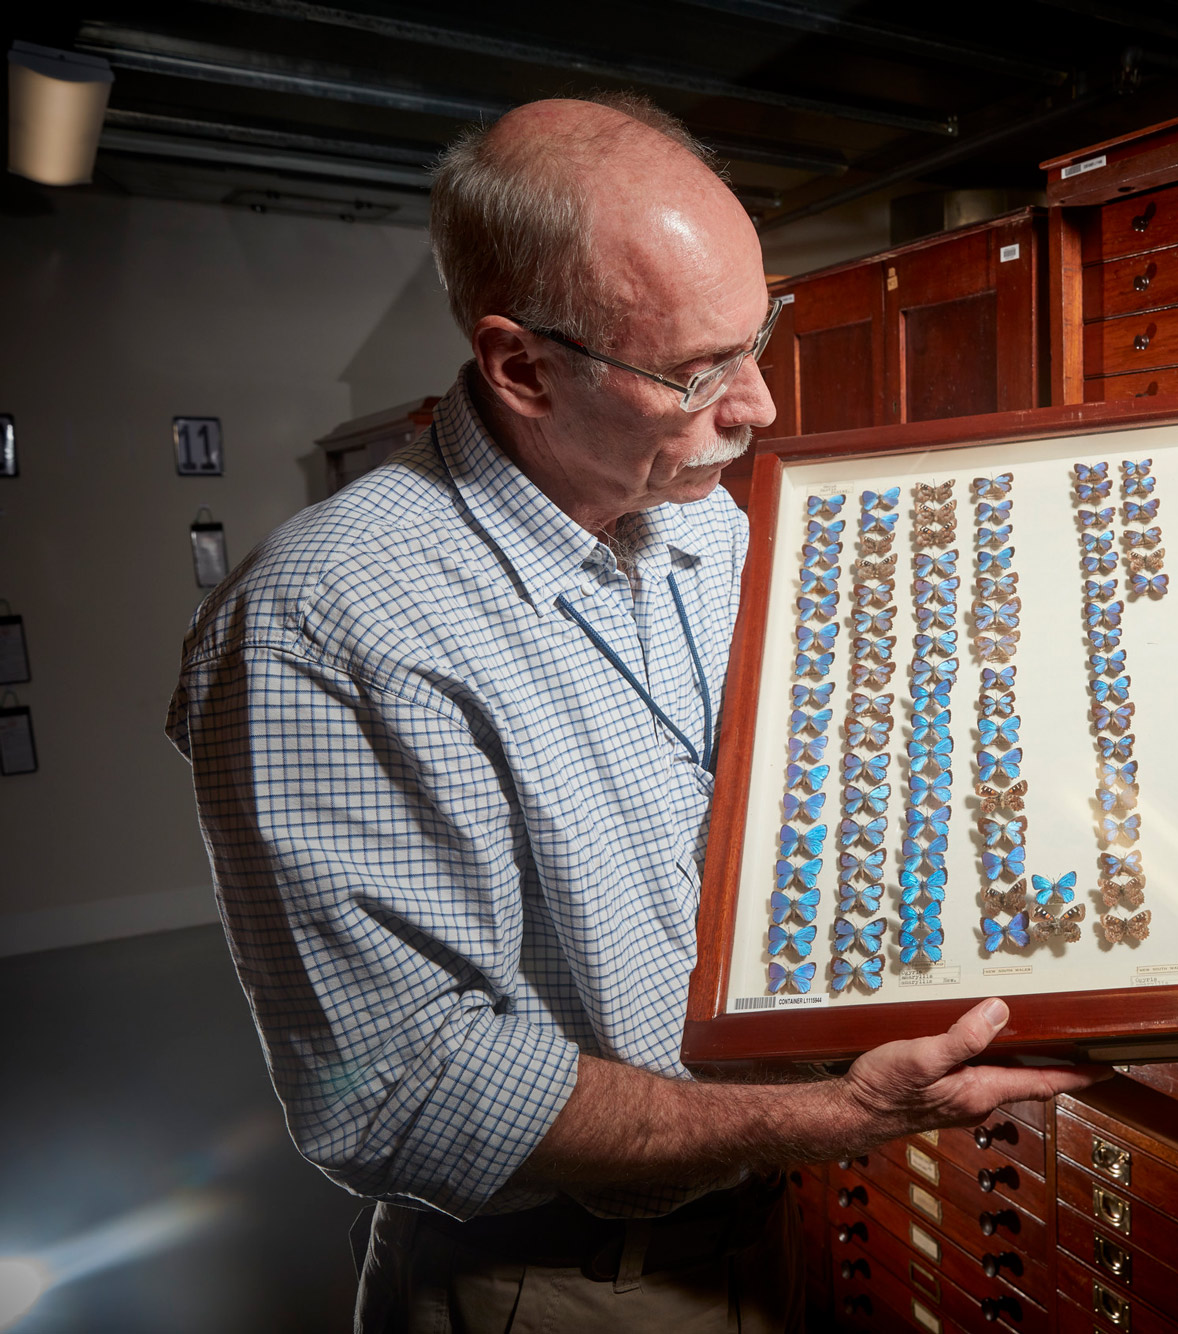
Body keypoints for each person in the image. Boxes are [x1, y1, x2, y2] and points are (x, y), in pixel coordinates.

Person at [165, 93, 1101, 1332]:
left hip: (764, 1210)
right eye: (698, 369)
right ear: (521, 367)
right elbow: (400, 1088)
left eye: (755, 335)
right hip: (561, 1279)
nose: (757, 403)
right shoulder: (327, 624)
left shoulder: (697, 517)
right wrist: (839, 1115)